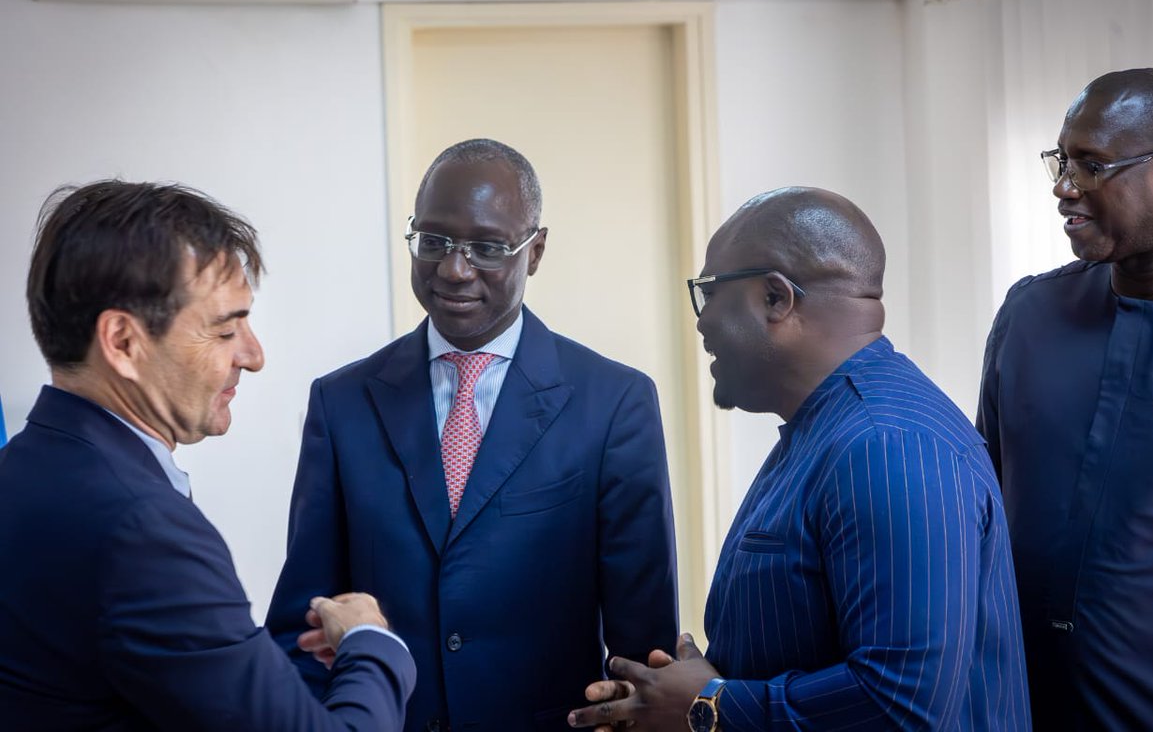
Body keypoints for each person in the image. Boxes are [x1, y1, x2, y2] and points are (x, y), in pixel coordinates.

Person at [569, 187, 1031, 731]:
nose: (701, 322)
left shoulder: (888, 444)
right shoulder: (827, 430)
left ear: (775, 299)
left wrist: (710, 708)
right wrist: (700, 685)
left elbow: (905, 705)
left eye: (710, 293)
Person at [266, 138, 679, 731]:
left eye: (487, 247)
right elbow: (304, 622)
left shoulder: (614, 402)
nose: (453, 270)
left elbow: (643, 650)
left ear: (534, 252)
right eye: (433, 241)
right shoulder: (342, 403)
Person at [0, 180, 416, 730]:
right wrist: (373, 644)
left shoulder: (22, 470)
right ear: (123, 342)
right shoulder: (141, 530)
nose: (254, 355)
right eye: (225, 330)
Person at [977, 67, 1153, 729]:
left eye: (1092, 165)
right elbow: (981, 503)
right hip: (1014, 708)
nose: (1063, 187)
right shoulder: (1030, 313)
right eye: (1061, 160)